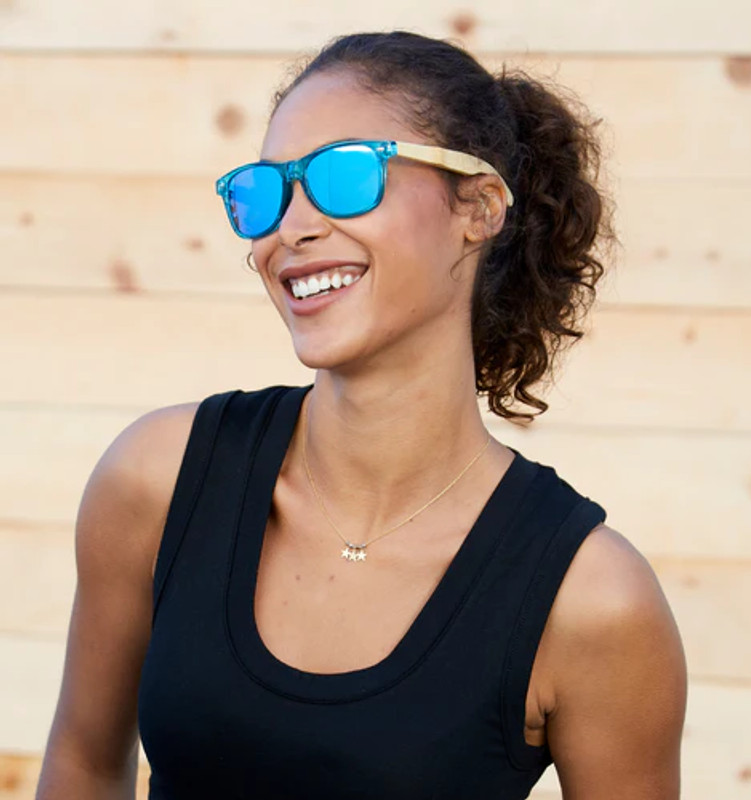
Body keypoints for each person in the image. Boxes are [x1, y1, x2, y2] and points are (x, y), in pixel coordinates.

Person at [36, 30, 686, 800]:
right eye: (266, 192)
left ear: (476, 209)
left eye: (346, 177)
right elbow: (81, 767)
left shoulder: (592, 601)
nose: (293, 227)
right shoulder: (157, 480)